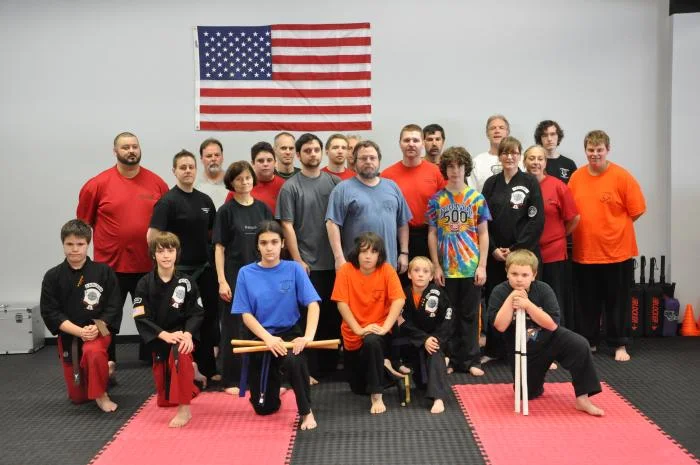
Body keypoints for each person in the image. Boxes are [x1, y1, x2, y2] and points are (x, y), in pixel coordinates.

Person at [77, 131, 169, 369]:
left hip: (148, 265)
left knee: (151, 315)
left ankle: (154, 359)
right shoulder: (96, 185)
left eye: (135, 146)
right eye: (125, 147)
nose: (131, 151)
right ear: (115, 151)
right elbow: (83, 226)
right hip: (110, 266)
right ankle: (107, 362)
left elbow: (166, 224)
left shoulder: (157, 183)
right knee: (107, 317)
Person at [490, 250, 604, 416]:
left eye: (524, 274)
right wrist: (511, 298)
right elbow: (500, 326)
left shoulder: (543, 290)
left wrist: (528, 305)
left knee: (580, 345)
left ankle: (583, 398)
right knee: (527, 394)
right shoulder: (499, 292)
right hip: (524, 349)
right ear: (506, 272)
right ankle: (543, 366)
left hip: (550, 338)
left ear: (534, 275)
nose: (519, 279)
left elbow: (552, 325)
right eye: (514, 274)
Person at [232, 220, 320, 431]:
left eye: (274, 242)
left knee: (294, 361)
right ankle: (275, 388)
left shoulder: (294, 269)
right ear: (258, 246)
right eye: (264, 243)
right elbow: (245, 315)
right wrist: (268, 339)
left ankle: (306, 411)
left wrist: (307, 337)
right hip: (260, 337)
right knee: (264, 408)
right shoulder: (246, 273)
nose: (269, 247)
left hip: (289, 333)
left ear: (282, 243)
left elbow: (313, 305)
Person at [568, 130, 646, 362]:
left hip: (617, 252)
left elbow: (637, 210)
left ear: (607, 150)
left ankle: (619, 344)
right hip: (584, 252)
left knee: (617, 301)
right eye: (590, 150)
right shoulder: (577, 177)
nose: (595, 154)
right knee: (586, 301)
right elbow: (571, 212)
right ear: (586, 151)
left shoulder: (622, 177)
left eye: (599, 150)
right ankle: (589, 341)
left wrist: (614, 228)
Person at [148, 150, 218, 386]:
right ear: (174, 171)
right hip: (179, 272)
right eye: (182, 167)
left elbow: (211, 234)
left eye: (191, 166)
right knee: (183, 320)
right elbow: (153, 236)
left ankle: (207, 367)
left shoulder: (205, 202)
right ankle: (183, 367)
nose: (187, 170)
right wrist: (163, 266)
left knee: (207, 318)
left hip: (204, 269)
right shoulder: (167, 202)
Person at [277, 133, 342, 380]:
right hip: (307, 265)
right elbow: (287, 226)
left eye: (316, 150)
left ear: (321, 152)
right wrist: (297, 259)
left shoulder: (335, 183)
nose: (312, 154)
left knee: (332, 315)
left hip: (334, 262)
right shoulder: (290, 187)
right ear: (298, 155)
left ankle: (331, 366)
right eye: (307, 151)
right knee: (307, 318)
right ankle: (309, 369)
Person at [40, 219, 121, 412]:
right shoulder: (52, 276)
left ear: (88, 244)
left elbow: (113, 306)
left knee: (93, 351)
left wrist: (95, 328)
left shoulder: (103, 271)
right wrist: (79, 332)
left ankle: (102, 395)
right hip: (70, 334)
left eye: (80, 244)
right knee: (78, 398)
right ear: (63, 244)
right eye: (69, 244)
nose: (75, 249)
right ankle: (105, 369)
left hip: (98, 329)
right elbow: (50, 312)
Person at [427, 146, 490, 376]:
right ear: (445, 169)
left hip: (470, 267)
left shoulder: (476, 198)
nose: (455, 171)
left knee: (471, 315)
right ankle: (452, 359)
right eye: (450, 166)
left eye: (459, 166)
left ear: (466, 168)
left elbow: (483, 233)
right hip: (446, 268)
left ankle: (472, 360)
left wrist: (482, 265)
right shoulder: (437, 199)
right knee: (448, 316)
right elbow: (432, 233)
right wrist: (435, 265)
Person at [481, 136, 544, 361]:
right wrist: (494, 249)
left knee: (530, 301)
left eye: (514, 152)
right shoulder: (491, 183)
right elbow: (483, 220)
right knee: (496, 300)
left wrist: (517, 249)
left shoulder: (529, 182)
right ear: (500, 156)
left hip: (523, 256)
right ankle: (495, 350)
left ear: (520, 155)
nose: (509, 156)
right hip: (496, 256)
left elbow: (535, 220)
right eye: (505, 153)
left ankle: (534, 350)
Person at [214, 161, 274, 395]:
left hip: (261, 276)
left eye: (248, 177)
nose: (244, 182)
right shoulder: (226, 211)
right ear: (232, 182)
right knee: (233, 327)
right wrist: (221, 280)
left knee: (260, 325)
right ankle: (231, 379)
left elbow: (272, 245)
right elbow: (219, 247)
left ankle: (260, 376)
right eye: (239, 179)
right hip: (234, 276)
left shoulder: (263, 209)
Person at [133, 232, 204, 428]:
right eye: (160, 251)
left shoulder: (187, 282)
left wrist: (188, 334)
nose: (166, 255)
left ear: (177, 253)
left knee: (181, 357)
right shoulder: (144, 283)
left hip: (181, 335)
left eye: (170, 250)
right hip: (158, 336)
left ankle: (185, 409)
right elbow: (140, 316)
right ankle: (194, 382)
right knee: (165, 400)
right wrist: (163, 334)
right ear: (153, 254)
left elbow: (197, 313)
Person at [332, 232, 406, 414]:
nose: (368, 256)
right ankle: (386, 369)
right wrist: (359, 330)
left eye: (373, 252)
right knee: (358, 389)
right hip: (353, 336)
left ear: (379, 255)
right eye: (363, 251)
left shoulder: (387, 270)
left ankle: (377, 396)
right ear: (356, 253)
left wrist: (385, 328)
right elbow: (342, 303)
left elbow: (399, 300)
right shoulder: (346, 270)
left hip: (378, 335)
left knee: (372, 341)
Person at [326, 140, 412, 272]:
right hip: (355, 267)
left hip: (388, 266)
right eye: (363, 158)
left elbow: (402, 222)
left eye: (372, 158)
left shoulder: (392, 187)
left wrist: (404, 253)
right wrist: (339, 258)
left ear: (379, 161)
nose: (368, 161)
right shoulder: (342, 189)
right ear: (354, 162)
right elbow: (332, 224)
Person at [523, 145, 579, 329]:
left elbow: (574, 218)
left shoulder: (558, 186)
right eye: (531, 158)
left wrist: (560, 235)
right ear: (524, 161)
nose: (536, 162)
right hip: (527, 254)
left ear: (545, 162)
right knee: (531, 299)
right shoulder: (520, 186)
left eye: (540, 159)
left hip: (554, 253)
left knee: (554, 299)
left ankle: (558, 339)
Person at [382, 124, 446, 272]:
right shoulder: (387, 175)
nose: (411, 144)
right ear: (400, 144)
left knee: (428, 285)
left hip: (429, 236)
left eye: (415, 140)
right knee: (402, 285)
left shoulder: (436, 172)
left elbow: (445, 206)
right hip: (398, 237)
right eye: (406, 140)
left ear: (422, 143)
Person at [398, 257, 454, 413]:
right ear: (409, 274)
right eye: (416, 271)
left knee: (434, 351)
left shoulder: (438, 293)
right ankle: (438, 365)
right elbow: (402, 321)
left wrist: (434, 339)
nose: (421, 275)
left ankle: (438, 398)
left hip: (435, 338)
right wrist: (423, 339)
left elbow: (448, 318)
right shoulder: (403, 294)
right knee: (421, 384)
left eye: (425, 271)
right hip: (412, 340)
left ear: (431, 276)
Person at [225, 142, 286, 213]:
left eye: (269, 160)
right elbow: (226, 216)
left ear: (275, 163)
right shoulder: (240, 187)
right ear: (253, 163)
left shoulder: (285, 186)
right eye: (260, 161)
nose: (265, 164)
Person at [468, 115, 521, 192]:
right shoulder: (476, 162)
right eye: (492, 128)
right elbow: (472, 193)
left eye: (501, 128)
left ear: (507, 132)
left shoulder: (520, 160)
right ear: (487, 133)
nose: (497, 131)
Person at [195, 138, 228, 209]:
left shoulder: (233, 182)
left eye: (217, 155)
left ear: (222, 157)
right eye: (209, 156)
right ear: (201, 159)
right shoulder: (194, 185)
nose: (213, 159)